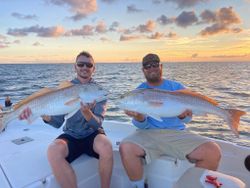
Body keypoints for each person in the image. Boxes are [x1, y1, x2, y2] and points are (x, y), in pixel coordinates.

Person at [119, 53, 221, 188]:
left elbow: (188, 118)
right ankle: (137, 185)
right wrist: (139, 117)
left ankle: (193, 185)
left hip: (177, 134)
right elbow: (141, 126)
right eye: (147, 66)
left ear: (161, 66)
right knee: (125, 147)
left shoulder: (176, 86)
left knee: (213, 152)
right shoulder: (139, 91)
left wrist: (183, 116)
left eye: (155, 65)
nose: (152, 68)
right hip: (149, 134)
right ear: (143, 70)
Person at [19, 51, 113, 188]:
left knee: (106, 146)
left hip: (92, 135)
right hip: (70, 135)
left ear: (94, 68)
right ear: (75, 67)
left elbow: (97, 124)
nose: (85, 67)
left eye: (89, 64)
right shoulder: (66, 88)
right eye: (81, 64)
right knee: (53, 150)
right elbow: (57, 123)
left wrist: (87, 114)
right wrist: (41, 112)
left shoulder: (98, 90)